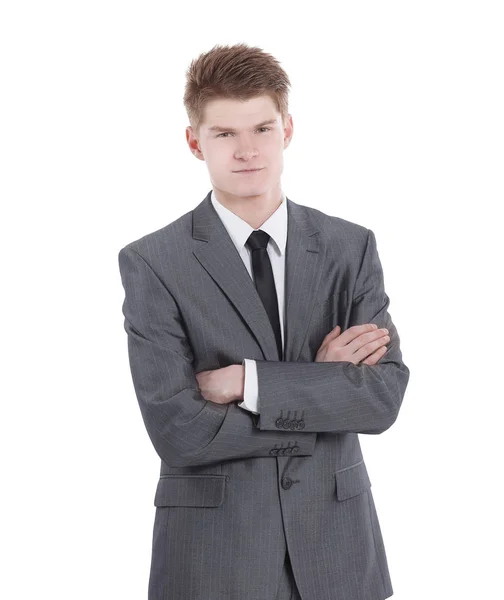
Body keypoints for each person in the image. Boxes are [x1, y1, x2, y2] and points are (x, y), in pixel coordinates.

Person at [118, 42, 410, 600]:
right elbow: (176, 430)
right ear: (194, 141)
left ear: (289, 130)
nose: (247, 150)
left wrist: (247, 383)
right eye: (225, 133)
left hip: (339, 554)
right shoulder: (153, 262)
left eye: (262, 129)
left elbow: (382, 400)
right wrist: (321, 387)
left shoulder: (350, 248)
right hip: (213, 557)